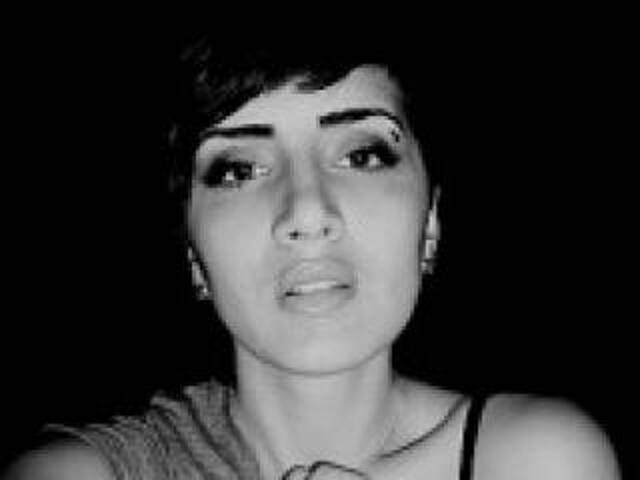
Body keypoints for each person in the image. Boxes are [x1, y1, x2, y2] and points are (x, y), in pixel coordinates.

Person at [4, 34, 621, 480]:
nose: (306, 211)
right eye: (238, 170)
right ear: (193, 253)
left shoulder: (534, 459)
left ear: (430, 221)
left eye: (362, 155)